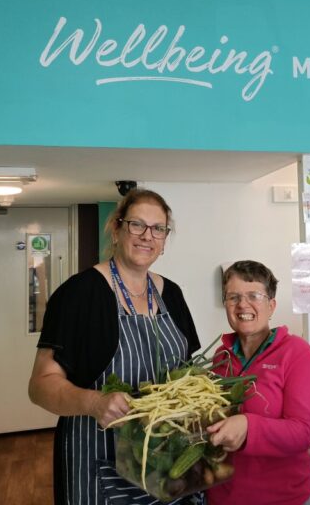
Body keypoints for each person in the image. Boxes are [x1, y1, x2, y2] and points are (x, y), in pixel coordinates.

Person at [28, 189, 202, 505]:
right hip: (98, 463)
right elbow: (39, 386)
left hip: (166, 463)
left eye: (158, 229)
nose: (147, 236)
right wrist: (94, 402)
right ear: (118, 229)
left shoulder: (172, 294)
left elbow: (187, 371)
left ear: (164, 239)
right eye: (137, 225)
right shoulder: (78, 295)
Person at [206, 260, 310, 505]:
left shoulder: (298, 354)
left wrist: (248, 426)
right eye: (233, 297)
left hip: (278, 498)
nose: (242, 305)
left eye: (254, 296)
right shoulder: (221, 356)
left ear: (271, 306)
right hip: (220, 496)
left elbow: (304, 432)